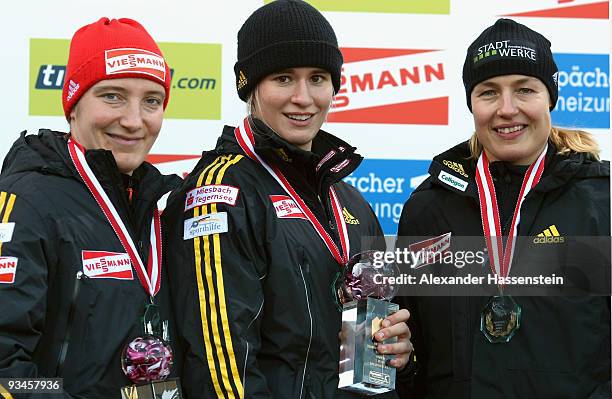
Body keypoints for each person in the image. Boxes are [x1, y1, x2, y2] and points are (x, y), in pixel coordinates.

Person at [163, 1, 414, 397]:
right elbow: (221, 369)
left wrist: (395, 351)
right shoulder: (218, 195)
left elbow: (367, 358)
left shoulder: (350, 201)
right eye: (283, 78)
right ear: (251, 87)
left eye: (317, 78)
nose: (303, 97)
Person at [395, 18, 611, 399]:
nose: (506, 109)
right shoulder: (428, 208)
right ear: (472, 104)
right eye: (489, 92)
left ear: (550, 98)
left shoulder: (600, 201)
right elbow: (409, 360)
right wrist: (402, 361)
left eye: (524, 89)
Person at [0, 18, 181, 398]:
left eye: (151, 100)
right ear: (73, 105)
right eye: (112, 96)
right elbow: (6, 370)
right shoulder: (25, 202)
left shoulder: (161, 206)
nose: (133, 121)